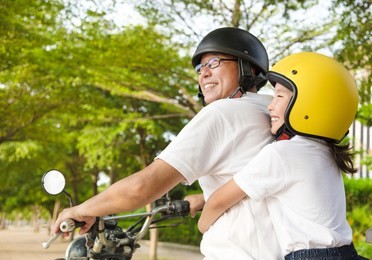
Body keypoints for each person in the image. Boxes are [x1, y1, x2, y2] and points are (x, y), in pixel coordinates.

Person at [53, 27, 282, 259]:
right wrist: (205, 198)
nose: (203, 74)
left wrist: (81, 210)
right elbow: (257, 178)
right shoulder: (272, 109)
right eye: (200, 67)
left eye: (214, 62)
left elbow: (143, 188)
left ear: (249, 68)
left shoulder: (222, 112)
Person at [198, 52, 367, 259]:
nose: (270, 105)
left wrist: (203, 225)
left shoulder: (283, 153)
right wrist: (199, 199)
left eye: (279, 96)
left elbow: (218, 201)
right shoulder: (324, 153)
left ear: (309, 104)